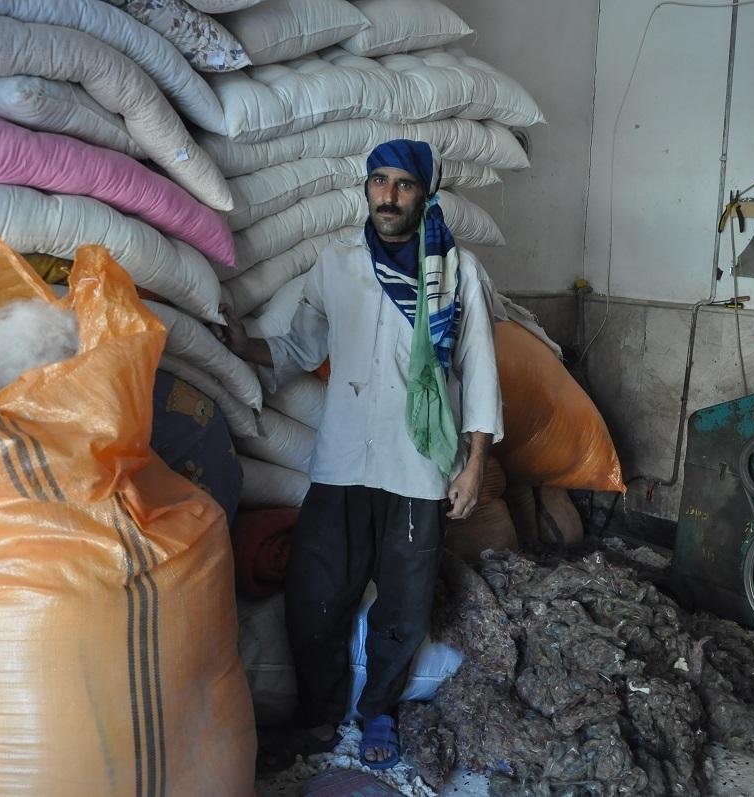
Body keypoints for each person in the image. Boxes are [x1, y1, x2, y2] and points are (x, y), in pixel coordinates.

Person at [216, 139, 502, 772]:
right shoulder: (338, 260)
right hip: (343, 459)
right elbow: (299, 343)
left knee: (404, 603)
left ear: (424, 192)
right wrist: (243, 345)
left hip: (417, 464)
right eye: (379, 181)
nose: (388, 196)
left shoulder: (456, 271)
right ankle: (318, 719)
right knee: (316, 594)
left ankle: (379, 711)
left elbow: (478, 368)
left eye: (402, 184)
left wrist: (475, 461)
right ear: (366, 188)